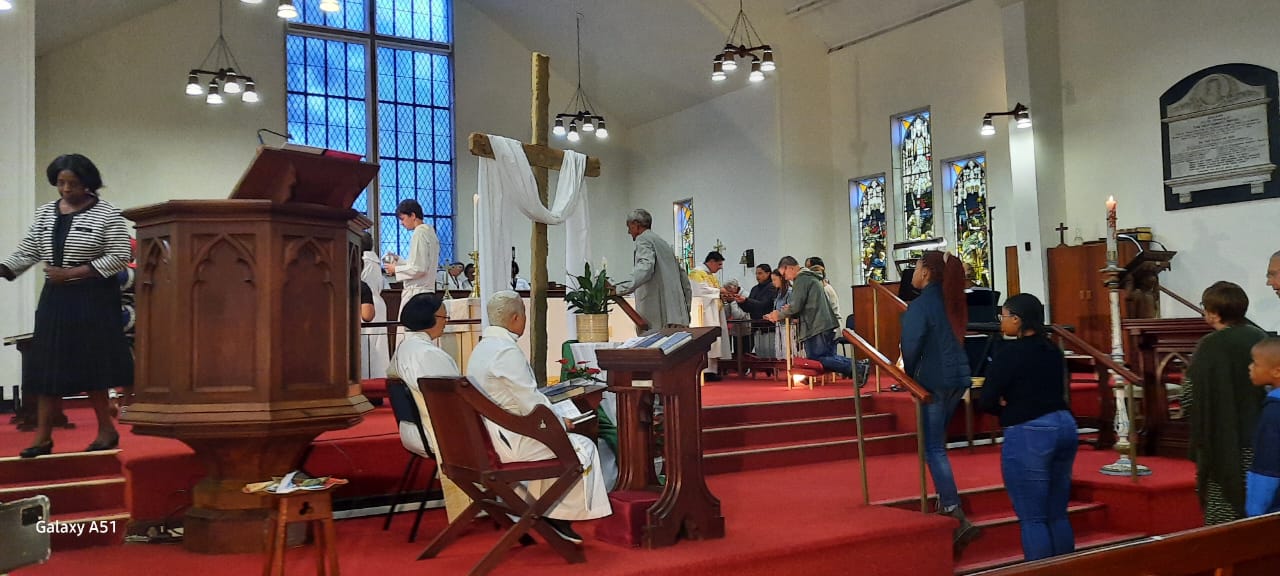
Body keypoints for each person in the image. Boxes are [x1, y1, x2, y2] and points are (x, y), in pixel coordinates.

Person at [2, 154, 133, 458]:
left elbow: (120, 255)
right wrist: (4, 268)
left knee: (91, 364)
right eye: (60, 183)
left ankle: (106, 429)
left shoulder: (107, 213)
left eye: (72, 183)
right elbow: (29, 249)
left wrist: (74, 273)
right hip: (56, 297)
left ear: (88, 183)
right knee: (47, 363)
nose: (65, 189)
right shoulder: (45, 213)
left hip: (93, 297)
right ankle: (42, 437)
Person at [466, 291, 612, 543]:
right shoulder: (505, 351)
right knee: (582, 446)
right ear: (515, 318)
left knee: (558, 442)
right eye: (524, 314)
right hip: (511, 442)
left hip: (489, 438)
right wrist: (561, 422)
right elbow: (531, 403)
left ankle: (537, 509)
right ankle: (556, 515)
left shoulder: (481, 349)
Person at [980, 293, 1076, 561]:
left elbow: (987, 399)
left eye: (1004, 315)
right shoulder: (1053, 350)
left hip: (1031, 432)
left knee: (1033, 517)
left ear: (1017, 320)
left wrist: (1006, 409)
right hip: (1065, 425)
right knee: (1057, 514)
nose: (1001, 321)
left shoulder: (1008, 353)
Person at [899, 250, 979, 551]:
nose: (913, 272)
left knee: (933, 448)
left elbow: (911, 345)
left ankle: (953, 511)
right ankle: (948, 505)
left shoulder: (922, 305)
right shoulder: (950, 301)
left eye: (916, 266)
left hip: (933, 381)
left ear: (927, 272)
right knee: (936, 445)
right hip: (957, 378)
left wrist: (910, 377)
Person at [1184, 281, 1267, 524]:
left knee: (1225, 508)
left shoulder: (1210, 345)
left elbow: (1190, 396)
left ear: (1214, 313)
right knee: (1260, 505)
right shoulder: (1259, 336)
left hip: (1223, 440)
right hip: (1261, 434)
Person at [388, 293, 472, 521]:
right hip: (436, 434)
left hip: (411, 430)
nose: (446, 322)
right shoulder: (428, 354)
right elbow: (455, 400)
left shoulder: (405, 348)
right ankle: (511, 502)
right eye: (444, 317)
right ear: (429, 318)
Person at [764, 256, 852, 377]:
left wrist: (778, 315)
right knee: (824, 358)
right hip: (820, 324)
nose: (785, 278)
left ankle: (857, 366)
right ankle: (858, 366)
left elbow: (796, 306)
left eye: (784, 274)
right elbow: (802, 305)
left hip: (816, 325)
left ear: (790, 268)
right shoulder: (807, 278)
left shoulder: (802, 279)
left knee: (817, 359)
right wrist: (790, 309)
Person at [612, 209, 692, 335]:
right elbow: (684, 279)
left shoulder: (643, 239)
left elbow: (645, 268)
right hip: (675, 314)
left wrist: (620, 288)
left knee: (654, 344)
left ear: (636, 224)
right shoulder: (663, 243)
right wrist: (685, 311)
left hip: (656, 313)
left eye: (629, 227)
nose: (628, 231)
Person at [1245, 338, 1280, 517]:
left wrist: (1255, 514)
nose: (1250, 367)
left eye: (1255, 363)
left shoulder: (1274, 413)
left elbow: (1266, 467)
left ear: (1277, 371)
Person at [386, 199, 439, 314]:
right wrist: (399, 261)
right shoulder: (430, 232)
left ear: (413, 215)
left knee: (411, 325)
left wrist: (395, 269)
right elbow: (420, 264)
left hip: (416, 294)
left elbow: (419, 269)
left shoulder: (419, 233)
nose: (401, 223)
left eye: (403, 219)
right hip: (426, 291)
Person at [689, 251, 730, 382]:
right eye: (719, 264)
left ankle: (712, 370)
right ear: (711, 262)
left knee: (715, 341)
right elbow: (699, 291)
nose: (720, 267)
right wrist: (719, 291)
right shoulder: (697, 273)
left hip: (714, 311)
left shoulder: (710, 275)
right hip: (704, 313)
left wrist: (722, 295)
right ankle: (705, 371)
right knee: (707, 340)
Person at [359, 231, 390, 380]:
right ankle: (378, 375)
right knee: (379, 344)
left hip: (365, 302)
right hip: (377, 302)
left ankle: (366, 377)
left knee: (367, 343)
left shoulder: (362, 259)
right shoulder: (375, 260)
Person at [732, 263, 778, 356]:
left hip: (769, 326)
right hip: (756, 326)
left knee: (769, 353)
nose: (757, 276)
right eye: (756, 273)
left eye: (760, 273)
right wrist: (742, 302)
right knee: (759, 352)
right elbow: (748, 308)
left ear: (768, 273)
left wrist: (746, 300)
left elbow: (764, 305)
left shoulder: (772, 287)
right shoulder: (755, 289)